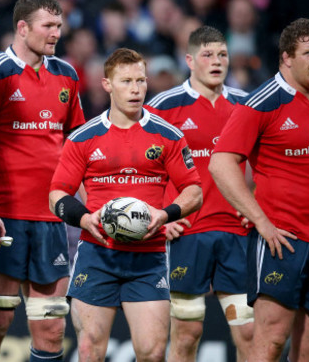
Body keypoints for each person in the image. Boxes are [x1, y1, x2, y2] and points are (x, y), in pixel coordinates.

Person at [49, 48, 203, 362]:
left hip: (148, 259)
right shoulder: (82, 137)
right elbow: (56, 195)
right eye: (126, 81)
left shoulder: (168, 136)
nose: (135, 89)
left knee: (153, 352)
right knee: (90, 349)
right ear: (107, 84)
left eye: (141, 81)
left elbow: (193, 191)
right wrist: (85, 219)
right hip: (97, 253)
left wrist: (165, 213)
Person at [209, 18, 309, 362]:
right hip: (282, 239)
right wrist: (260, 220)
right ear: (286, 58)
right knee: (270, 342)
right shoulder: (262, 102)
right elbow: (220, 163)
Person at [0, 0, 85, 362]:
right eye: (48, 26)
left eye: (59, 26)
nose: (56, 34)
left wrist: (89, 208)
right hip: (4, 218)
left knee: (52, 328)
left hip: (51, 220)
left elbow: (78, 147)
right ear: (22, 27)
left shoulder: (66, 75)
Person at [145, 26, 254, 362]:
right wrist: (162, 214)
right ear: (190, 60)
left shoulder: (246, 105)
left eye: (222, 54)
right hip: (187, 235)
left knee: (247, 333)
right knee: (187, 334)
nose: (217, 61)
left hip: (236, 235)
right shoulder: (165, 106)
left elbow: (268, 163)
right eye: (207, 55)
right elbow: (144, 165)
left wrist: (257, 206)